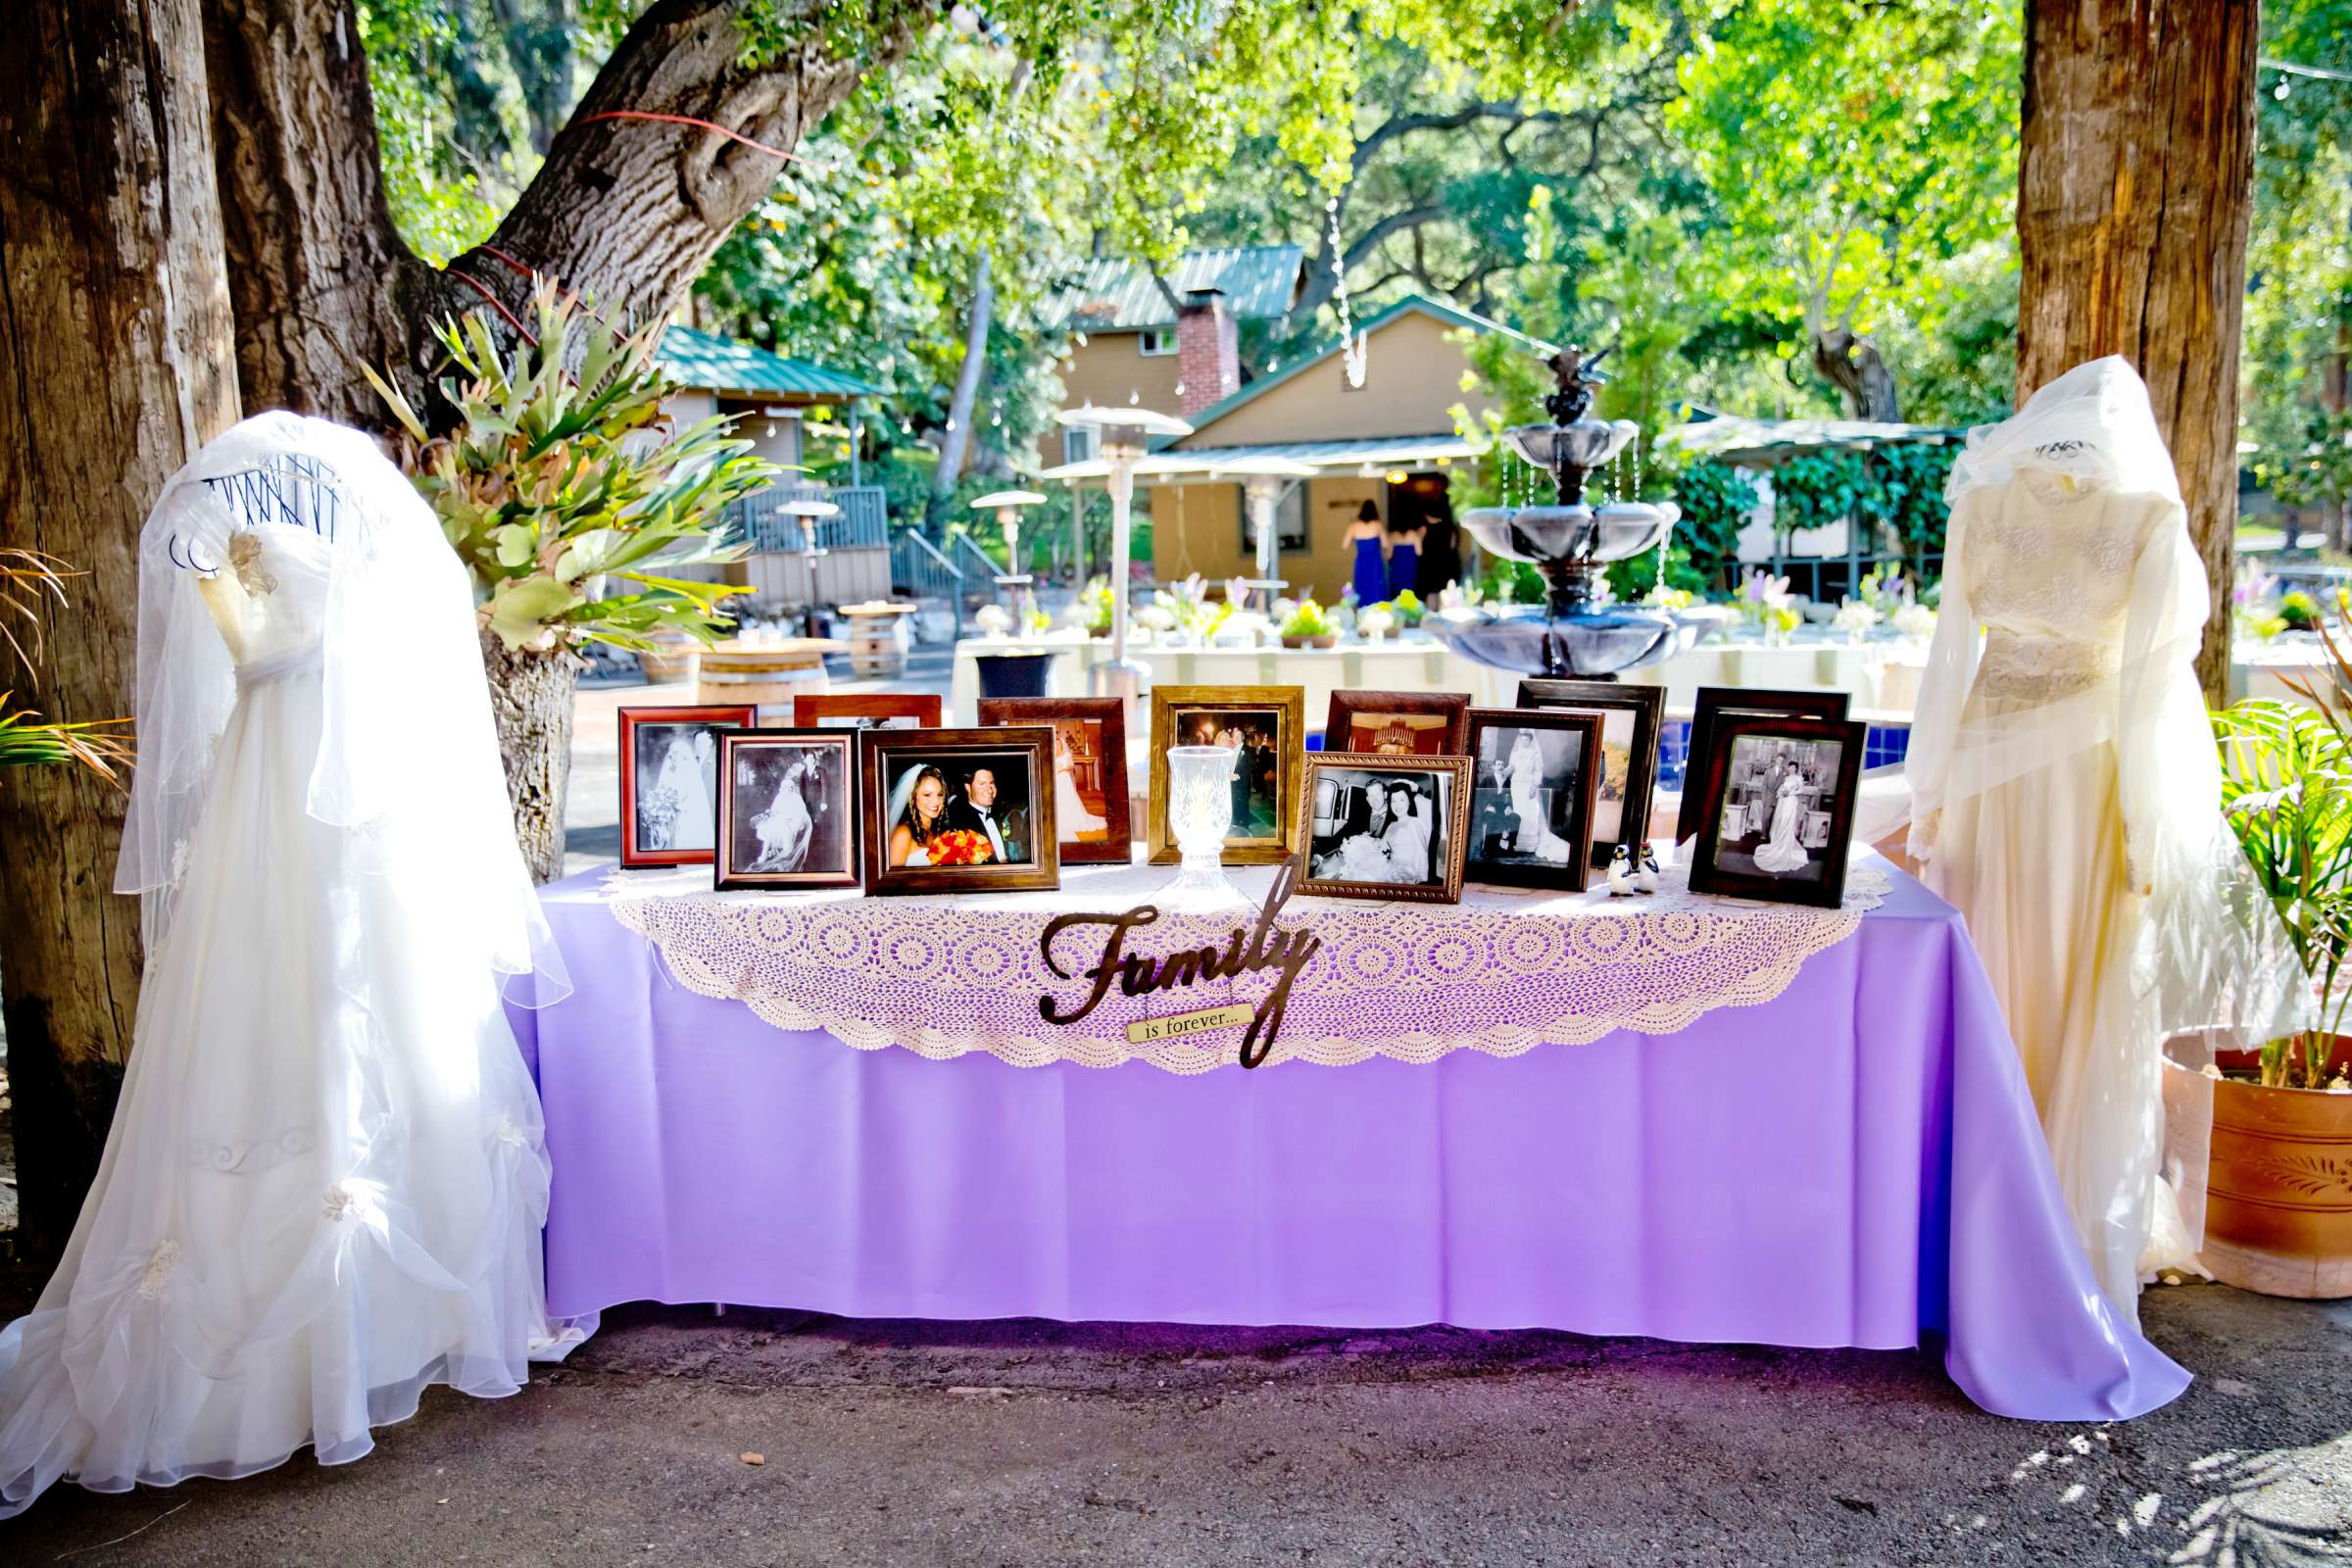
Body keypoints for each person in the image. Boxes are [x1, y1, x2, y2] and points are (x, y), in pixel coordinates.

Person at [0, 412, 578, 1519]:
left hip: (345, 802)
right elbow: (239, 658)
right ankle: (298, 1343)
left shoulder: (351, 519)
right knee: (266, 1016)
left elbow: (334, 658)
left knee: (362, 1010)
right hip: (264, 801)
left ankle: (384, 1324)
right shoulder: (228, 526)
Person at [1892, 357, 2308, 1326]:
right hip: (2069, 784)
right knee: (2043, 989)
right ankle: (2051, 1229)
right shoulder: (2126, 520)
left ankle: (2022, 1228)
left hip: (2029, 781)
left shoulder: (2007, 508)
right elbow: (2154, 692)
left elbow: (1954, 657)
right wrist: (2146, 823)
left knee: (2036, 986)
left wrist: (1937, 791)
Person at [747, 754, 816, 873]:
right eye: (784, 788)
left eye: (789, 788)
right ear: (782, 788)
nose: (786, 790)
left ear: (792, 788)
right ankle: (763, 855)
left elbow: (799, 813)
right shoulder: (780, 797)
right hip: (780, 819)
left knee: (784, 828)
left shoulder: (796, 798)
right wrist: (771, 814)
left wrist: (787, 818)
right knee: (770, 829)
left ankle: (786, 852)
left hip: (793, 821)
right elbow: (775, 809)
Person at [945, 763, 1027, 863]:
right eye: (982, 784)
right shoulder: (959, 825)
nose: (989, 790)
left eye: (991, 783)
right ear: (968, 787)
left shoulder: (1003, 815)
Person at [887, 764, 952, 867]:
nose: (936, 802)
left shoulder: (941, 830)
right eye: (927, 795)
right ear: (913, 797)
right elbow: (890, 880)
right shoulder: (903, 833)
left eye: (940, 795)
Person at [1052, 723, 1107, 843]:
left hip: (1063, 778)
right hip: (1056, 779)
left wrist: (1060, 769)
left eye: (1058, 743)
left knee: (1067, 799)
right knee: (1058, 799)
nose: (1056, 745)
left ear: (1061, 744)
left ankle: (1071, 819)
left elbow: (1070, 767)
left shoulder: (1066, 754)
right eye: (1055, 744)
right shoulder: (1052, 754)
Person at [1750, 766, 1811, 874]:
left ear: (1796, 768)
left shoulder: (1798, 777)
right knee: (1780, 820)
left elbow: (1801, 789)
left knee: (1788, 819)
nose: (1791, 768)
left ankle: (1786, 841)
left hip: (1791, 800)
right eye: (1790, 766)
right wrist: (1780, 793)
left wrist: (1790, 793)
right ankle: (1778, 840)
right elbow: (1781, 788)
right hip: (1783, 801)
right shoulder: (1786, 777)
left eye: (1793, 767)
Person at [1345, 500, 1387, 609]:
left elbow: (1345, 545)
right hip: (1375, 562)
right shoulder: (1378, 525)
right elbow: (1385, 544)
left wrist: (1356, 541)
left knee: (1362, 588)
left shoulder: (1353, 526)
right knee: (1376, 588)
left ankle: (1362, 613)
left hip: (1361, 561)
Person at [1385, 514, 1426, 602]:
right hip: (1410, 566)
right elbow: (1419, 552)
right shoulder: (1414, 535)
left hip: (1397, 567)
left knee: (1397, 591)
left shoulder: (1392, 536)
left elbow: (1388, 556)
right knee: (1410, 590)